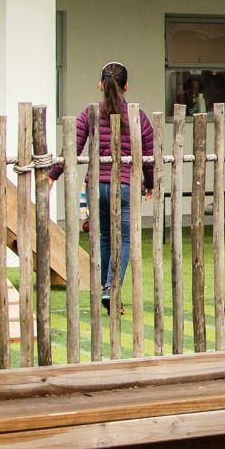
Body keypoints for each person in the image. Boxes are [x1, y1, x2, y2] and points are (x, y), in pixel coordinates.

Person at [72, 61, 157, 309]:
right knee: (126, 239)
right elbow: (149, 156)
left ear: (100, 85)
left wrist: (54, 173)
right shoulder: (137, 116)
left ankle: (104, 288)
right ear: (127, 86)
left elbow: (73, 147)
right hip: (126, 185)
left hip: (96, 185)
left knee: (105, 237)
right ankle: (110, 288)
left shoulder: (89, 114)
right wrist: (149, 184)